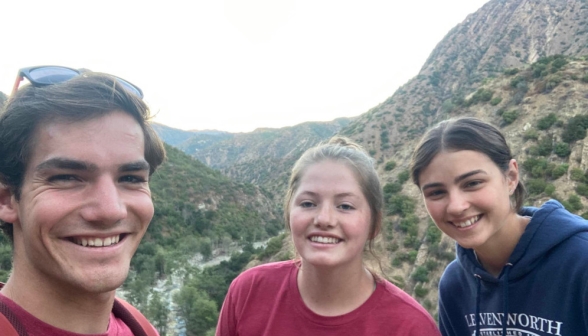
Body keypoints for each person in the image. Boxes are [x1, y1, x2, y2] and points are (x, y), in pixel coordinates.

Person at [216, 137, 440, 336]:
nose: (324, 219)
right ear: (288, 213)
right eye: (308, 203)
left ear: (374, 225)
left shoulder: (410, 327)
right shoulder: (249, 293)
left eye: (345, 206)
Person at [0, 66, 166, 335]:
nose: (110, 210)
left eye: (131, 178)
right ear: (6, 199)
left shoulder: (141, 328)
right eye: (67, 177)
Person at [410, 117, 588, 336]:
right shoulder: (455, 284)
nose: (456, 207)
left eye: (473, 183)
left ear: (511, 177)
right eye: (436, 192)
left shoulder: (581, 262)